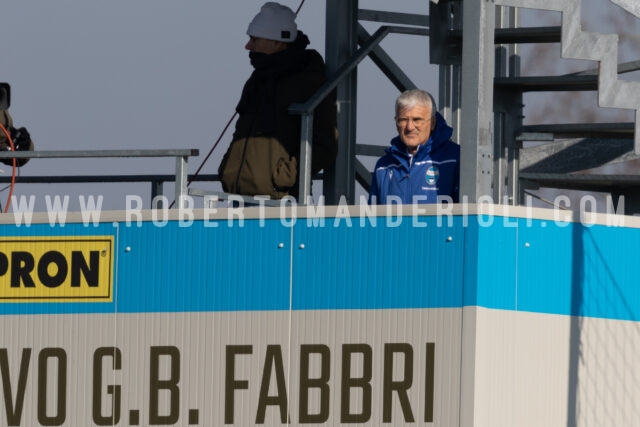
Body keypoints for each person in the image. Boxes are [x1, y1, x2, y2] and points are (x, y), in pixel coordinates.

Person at [218, 2, 338, 199]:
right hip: (241, 196)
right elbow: (241, 131)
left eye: (255, 39)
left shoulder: (308, 79)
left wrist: (283, 178)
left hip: (281, 202)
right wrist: (228, 169)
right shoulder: (259, 78)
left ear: (277, 42)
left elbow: (325, 144)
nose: (248, 45)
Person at [369, 89, 459, 204]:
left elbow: (467, 214)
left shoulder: (455, 159)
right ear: (396, 122)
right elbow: (372, 218)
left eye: (417, 120)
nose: (410, 127)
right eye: (403, 120)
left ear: (432, 123)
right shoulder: (383, 166)